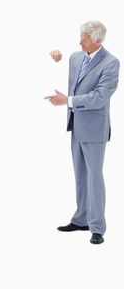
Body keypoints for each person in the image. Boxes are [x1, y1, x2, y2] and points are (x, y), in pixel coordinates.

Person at [45, 20, 120, 244]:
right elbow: (76, 82)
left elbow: (99, 97)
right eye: (80, 37)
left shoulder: (111, 63)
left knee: (95, 177)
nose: (79, 42)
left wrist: (67, 101)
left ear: (98, 40)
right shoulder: (76, 57)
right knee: (80, 175)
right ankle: (81, 219)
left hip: (95, 129)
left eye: (85, 39)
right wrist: (55, 55)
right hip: (76, 126)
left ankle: (97, 227)